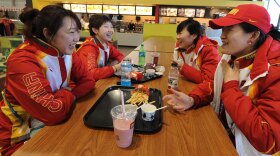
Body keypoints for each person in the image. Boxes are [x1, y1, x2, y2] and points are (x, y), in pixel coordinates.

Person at [163, 4, 280, 155]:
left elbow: (268, 140)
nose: (222, 35)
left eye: (229, 30)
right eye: (223, 29)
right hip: (222, 132)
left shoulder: (274, 70)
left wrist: (231, 87)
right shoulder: (233, 54)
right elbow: (214, 83)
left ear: (253, 36)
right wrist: (192, 99)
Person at [0, 5, 95, 155]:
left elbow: (88, 81)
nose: (77, 38)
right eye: (71, 32)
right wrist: (67, 94)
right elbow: (52, 111)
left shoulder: (66, 50)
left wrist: (70, 95)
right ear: (48, 33)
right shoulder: (23, 60)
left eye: (78, 31)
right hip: (19, 136)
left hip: (54, 121)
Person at [76, 14, 124, 80]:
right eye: (106, 27)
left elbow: (120, 56)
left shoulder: (106, 44)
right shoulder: (89, 48)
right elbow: (90, 74)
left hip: (98, 81)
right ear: (95, 30)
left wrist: (112, 64)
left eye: (111, 27)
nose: (110, 30)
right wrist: (115, 68)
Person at [173, 19, 220, 84]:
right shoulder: (179, 46)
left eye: (180, 33)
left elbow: (209, 80)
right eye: (177, 33)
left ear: (194, 36)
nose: (177, 37)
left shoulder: (209, 50)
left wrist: (183, 68)